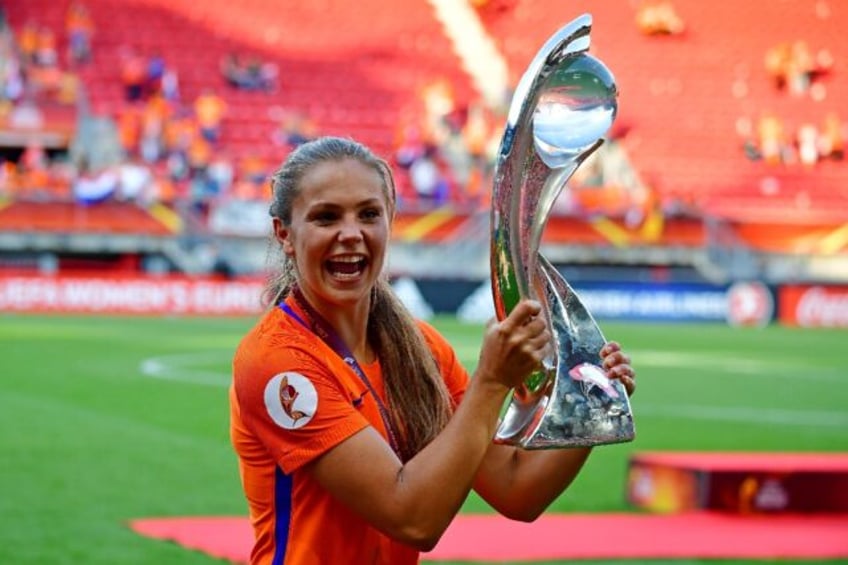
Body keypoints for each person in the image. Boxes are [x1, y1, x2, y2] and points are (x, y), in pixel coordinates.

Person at [229, 136, 637, 564]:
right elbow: (412, 519)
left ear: (390, 220)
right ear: (285, 234)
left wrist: (590, 403)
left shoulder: (420, 347)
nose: (350, 234)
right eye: (326, 218)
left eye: (369, 214)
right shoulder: (278, 362)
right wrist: (492, 381)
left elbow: (518, 490)